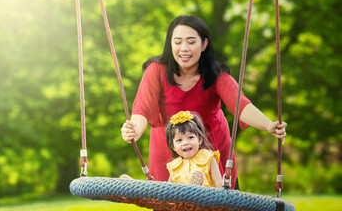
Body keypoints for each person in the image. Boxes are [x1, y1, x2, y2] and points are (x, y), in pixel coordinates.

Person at [121, 14, 287, 189]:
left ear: (204, 44)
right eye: (177, 42)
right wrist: (134, 131)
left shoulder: (215, 75)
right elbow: (142, 109)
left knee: (217, 199)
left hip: (209, 149)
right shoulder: (156, 71)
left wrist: (269, 125)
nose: (184, 48)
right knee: (167, 199)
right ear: (170, 44)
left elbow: (242, 106)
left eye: (191, 42)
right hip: (170, 148)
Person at [166, 110, 222, 188]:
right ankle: (191, 191)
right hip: (182, 199)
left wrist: (222, 195)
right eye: (179, 140)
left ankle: (196, 189)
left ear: (200, 140)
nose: (185, 143)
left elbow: (218, 183)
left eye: (190, 137)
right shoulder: (175, 166)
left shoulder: (207, 157)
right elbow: (168, 189)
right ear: (173, 147)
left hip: (207, 198)